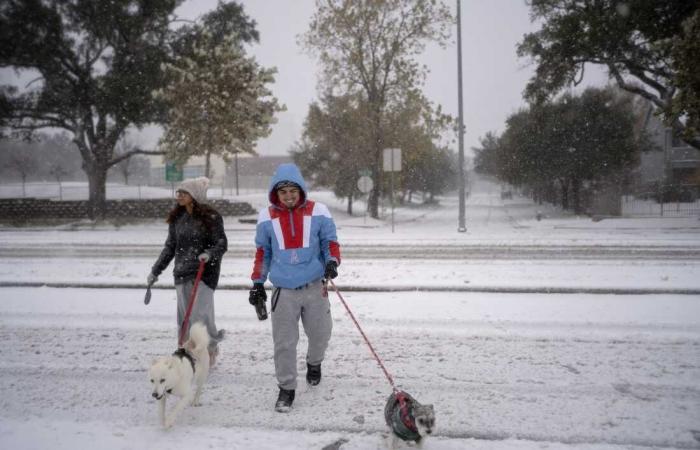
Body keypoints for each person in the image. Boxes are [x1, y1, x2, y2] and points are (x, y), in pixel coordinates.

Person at [248, 163, 341, 412]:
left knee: (321, 334)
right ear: (275, 194)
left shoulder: (319, 211)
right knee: (284, 343)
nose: (289, 196)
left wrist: (332, 262)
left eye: (293, 190)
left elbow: (329, 243)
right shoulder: (266, 217)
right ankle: (286, 389)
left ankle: (314, 362)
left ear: (301, 190)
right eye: (283, 192)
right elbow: (263, 253)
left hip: (314, 285)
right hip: (284, 291)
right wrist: (257, 283)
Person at [148, 177, 227, 365]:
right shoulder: (177, 218)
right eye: (179, 192)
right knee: (184, 318)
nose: (179, 196)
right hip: (182, 272)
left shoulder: (211, 217)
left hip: (204, 274)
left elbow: (221, 243)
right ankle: (188, 349)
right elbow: (170, 247)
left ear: (195, 195)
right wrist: (156, 270)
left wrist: (209, 254)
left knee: (200, 316)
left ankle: (208, 348)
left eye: (184, 192)